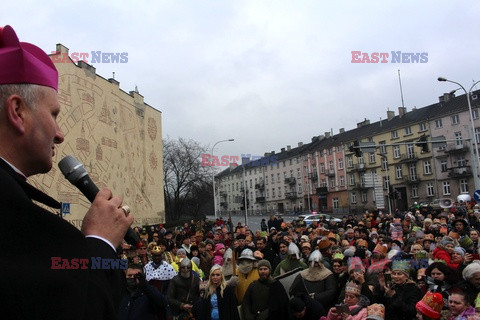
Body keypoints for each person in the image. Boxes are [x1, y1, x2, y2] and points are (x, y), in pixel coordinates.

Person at [0, 25, 133, 319]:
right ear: (18, 112)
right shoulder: (13, 219)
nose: (60, 135)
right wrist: (100, 243)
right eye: (54, 115)